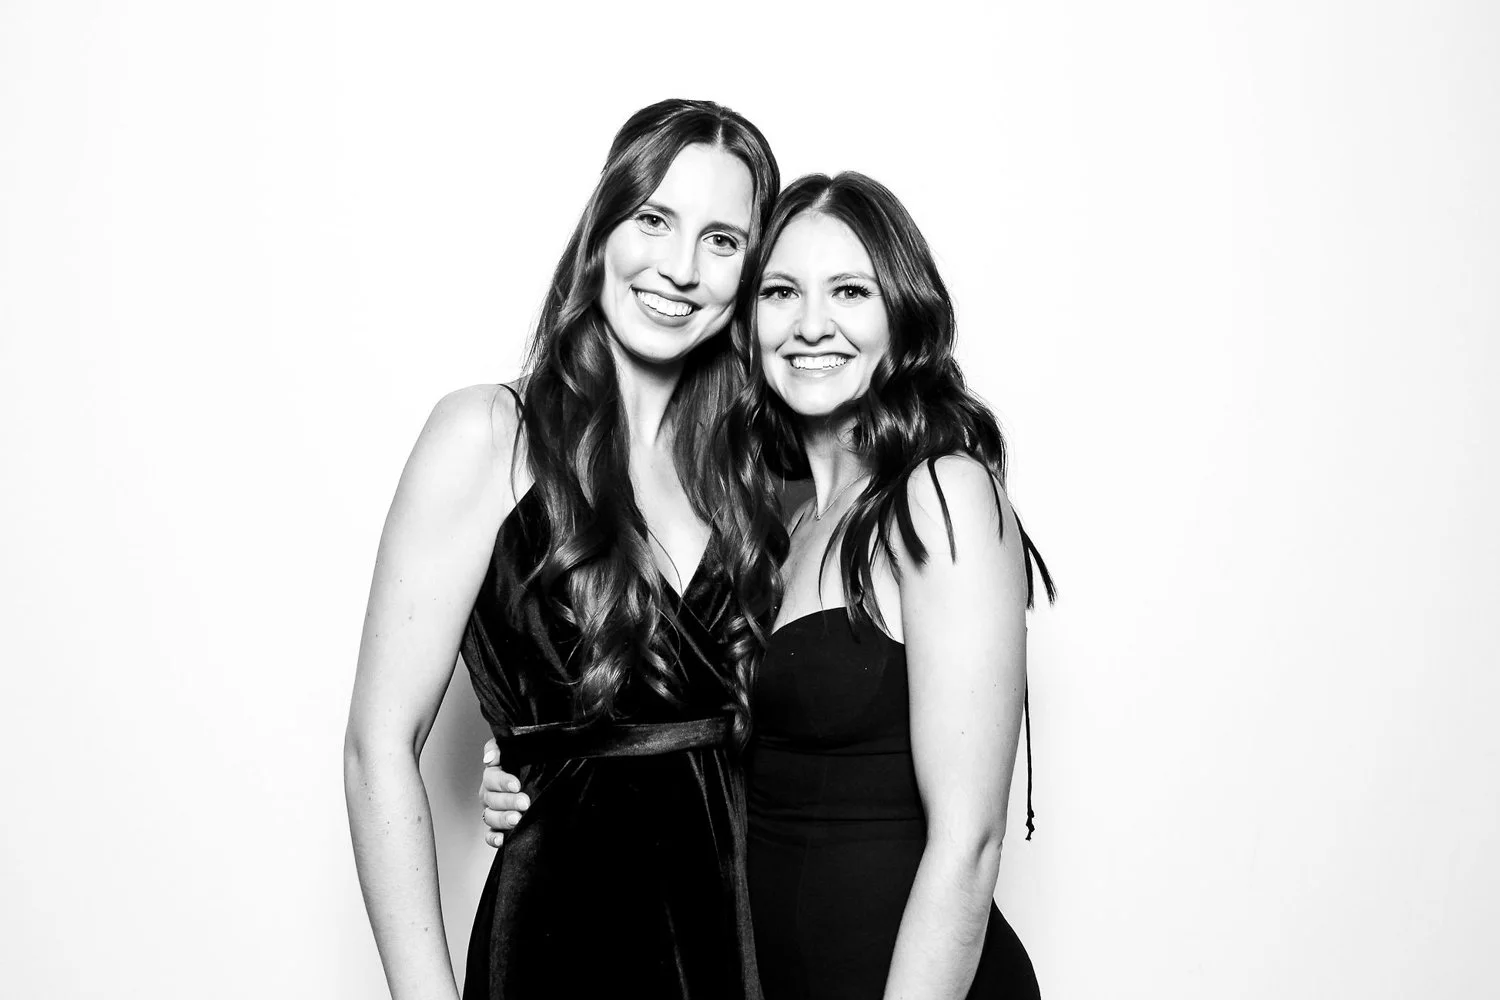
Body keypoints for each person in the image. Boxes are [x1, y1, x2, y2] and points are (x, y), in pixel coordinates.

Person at [483, 171, 1054, 998]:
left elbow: (969, 841)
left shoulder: (939, 493)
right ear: (749, 323)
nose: (812, 324)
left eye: (850, 291)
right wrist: (537, 765)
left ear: (902, 315)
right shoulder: (770, 530)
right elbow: (689, 736)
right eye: (782, 291)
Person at [343, 98, 781, 1000]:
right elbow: (377, 747)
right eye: (655, 219)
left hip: (733, 941)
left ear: (748, 275)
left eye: (722, 240)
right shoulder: (486, 435)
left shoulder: (749, 481)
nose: (680, 268)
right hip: (561, 944)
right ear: (603, 229)